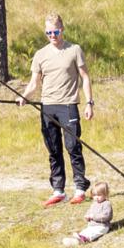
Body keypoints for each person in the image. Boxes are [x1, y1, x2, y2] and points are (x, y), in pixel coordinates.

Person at [17, 13, 93, 205]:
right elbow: (34, 84)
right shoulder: (40, 55)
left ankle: (80, 187)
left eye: (56, 31)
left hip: (68, 105)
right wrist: (24, 97)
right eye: (49, 32)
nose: (53, 35)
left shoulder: (74, 50)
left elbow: (84, 77)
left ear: (62, 29)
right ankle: (58, 190)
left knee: (73, 147)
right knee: (53, 149)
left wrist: (89, 103)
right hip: (47, 107)